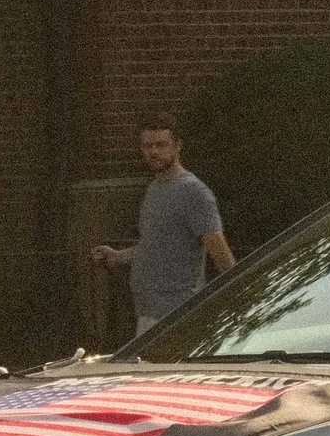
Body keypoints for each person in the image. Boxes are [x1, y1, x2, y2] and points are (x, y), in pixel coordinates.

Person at [90, 116, 235, 336]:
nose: (153, 152)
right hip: (148, 312)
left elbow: (219, 251)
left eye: (161, 145)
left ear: (177, 147)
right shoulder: (154, 189)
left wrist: (239, 301)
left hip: (178, 314)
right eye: (147, 146)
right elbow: (158, 243)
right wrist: (119, 257)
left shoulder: (193, 192)